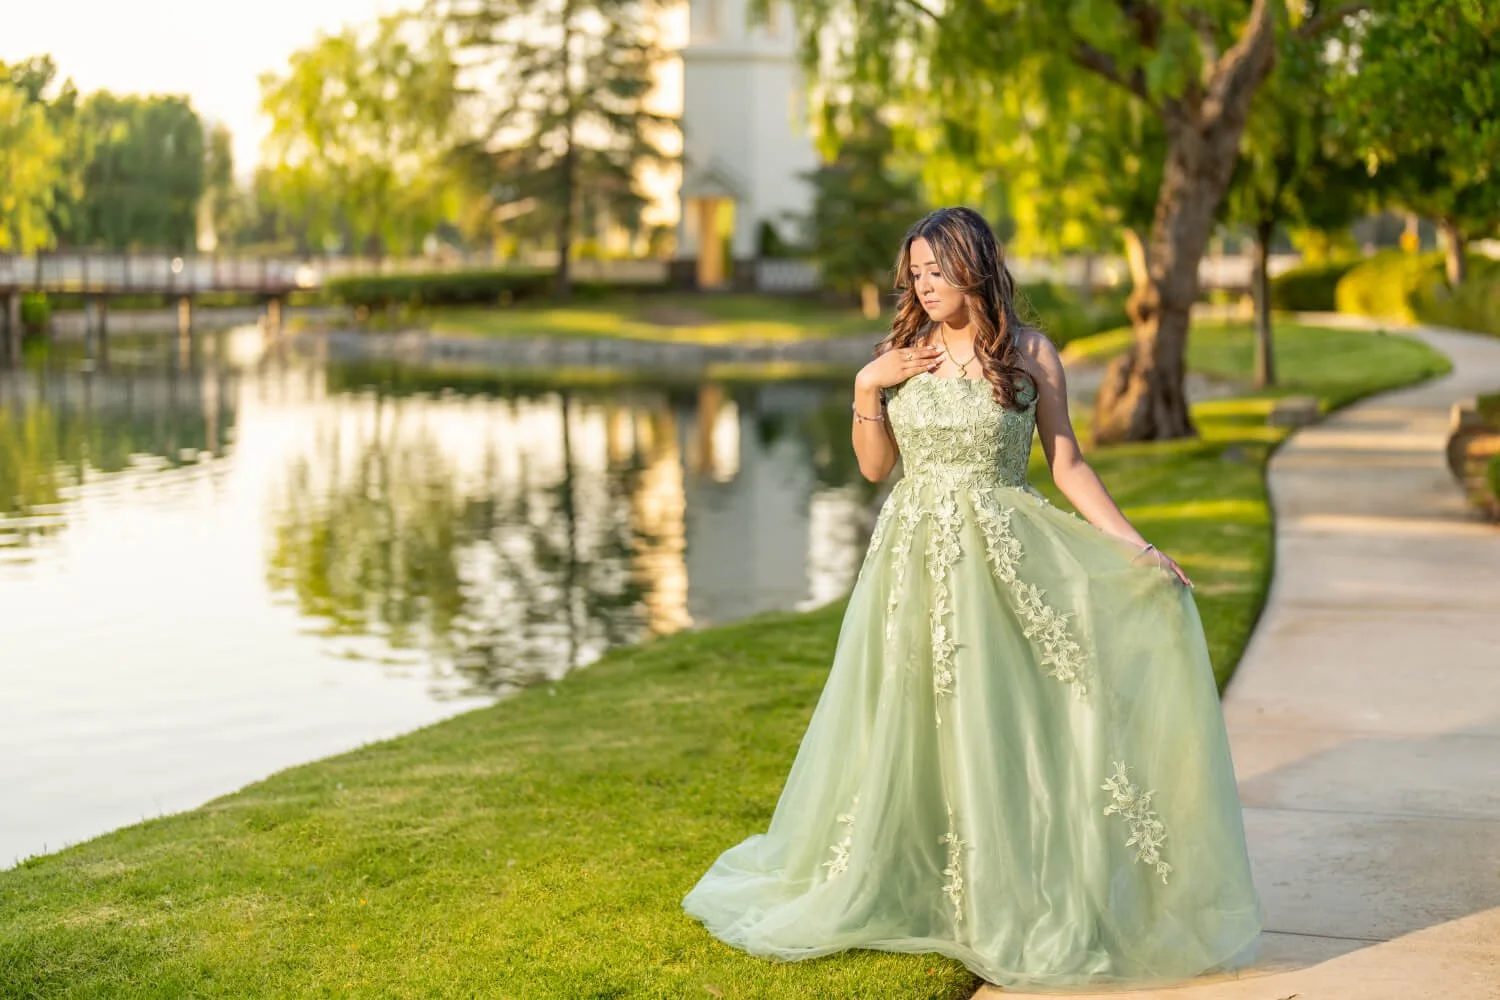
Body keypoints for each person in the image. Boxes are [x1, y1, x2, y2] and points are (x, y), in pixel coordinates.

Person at [681, 206, 1265, 990]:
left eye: (936, 271)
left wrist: (1136, 544)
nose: (922, 287)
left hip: (1001, 555)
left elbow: (1068, 464)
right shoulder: (901, 352)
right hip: (910, 555)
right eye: (914, 273)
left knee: (1003, 719)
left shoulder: (1030, 353)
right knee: (906, 716)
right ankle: (909, 872)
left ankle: (1005, 886)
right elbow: (872, 467)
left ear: (975, 267)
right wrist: (866, 385)